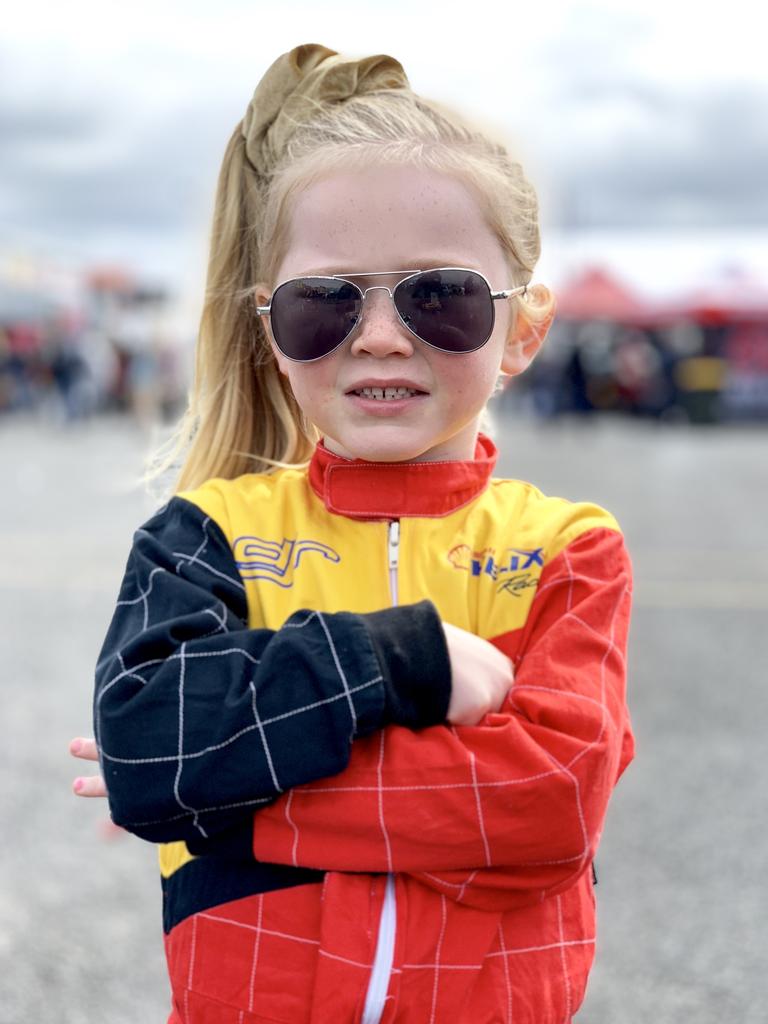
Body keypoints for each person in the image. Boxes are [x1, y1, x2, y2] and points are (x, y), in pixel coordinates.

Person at [70, 43, 634, 1024]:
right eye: (327, 300)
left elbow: (548, 805)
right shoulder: (204, 534)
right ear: (269, 329)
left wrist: (238, 805)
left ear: (526, 329)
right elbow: (148, 747)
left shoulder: (570, 547)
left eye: (440, 297)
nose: (379, 334)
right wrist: (393, 662)